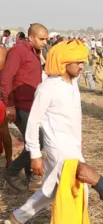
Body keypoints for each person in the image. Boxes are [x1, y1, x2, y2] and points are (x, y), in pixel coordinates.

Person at [6, 39, 89, 224]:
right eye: (78, 63)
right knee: (79, 188)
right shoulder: (48, 87)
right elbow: (34, 122)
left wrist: (79, 140)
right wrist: (35, 154)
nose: (82, 67)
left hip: (72, 145)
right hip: (59, 148)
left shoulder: (73, 83)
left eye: (83, 62)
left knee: (51, 189)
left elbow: (75, 117)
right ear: (63, 62)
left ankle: (16, 218)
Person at [2, 24, 48, 192]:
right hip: (21, 105)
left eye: (46, 39)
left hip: (32, 105)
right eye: (41, 39)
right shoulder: (18, 51)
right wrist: (10, 105)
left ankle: (31, 178)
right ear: (31, 37)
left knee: (33, 141)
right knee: (38, 141)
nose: (44, 42)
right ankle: (12, 172)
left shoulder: (34, 52)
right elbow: (7, 78)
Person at [0, 41, 12, 168]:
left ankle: (9, 160)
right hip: (3, 95)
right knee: (4, 131)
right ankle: (9, 161)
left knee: (3, 131)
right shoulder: (4, 51)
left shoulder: (3, 51)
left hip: (2, 96)